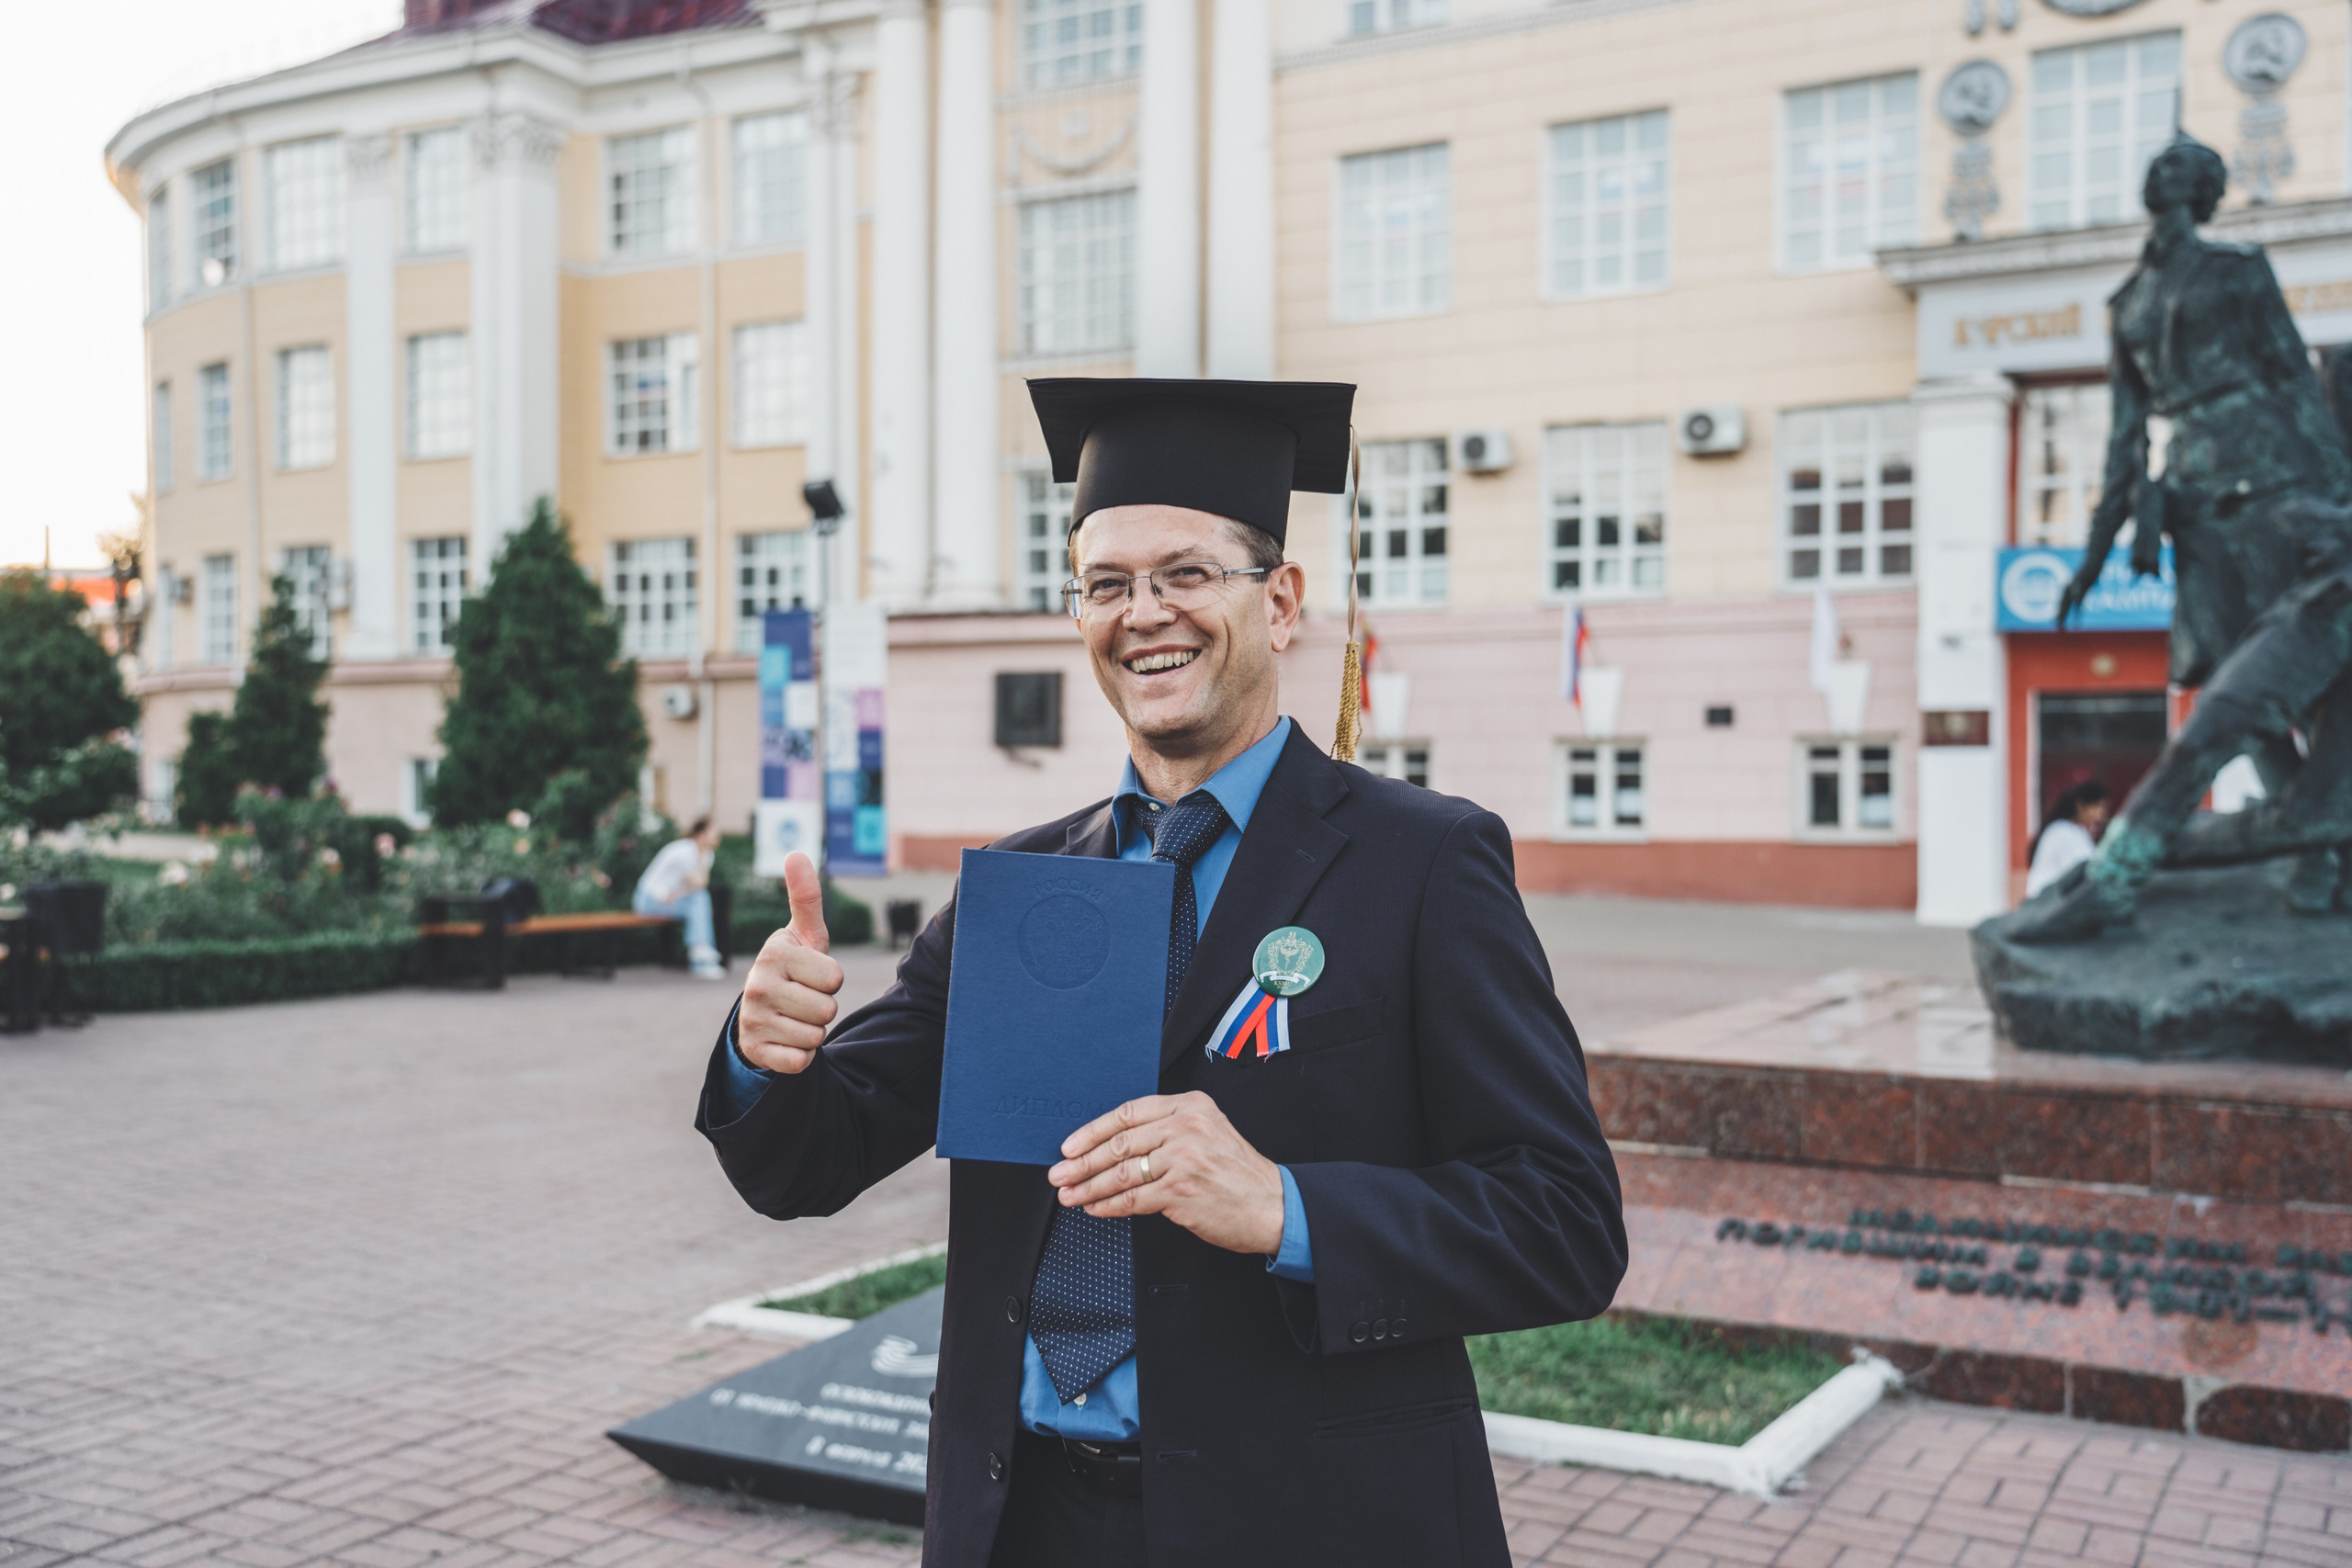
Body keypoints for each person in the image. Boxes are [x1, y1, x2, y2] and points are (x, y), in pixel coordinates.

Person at [695, 378, 1626, 1568]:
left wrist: (1286, 1208)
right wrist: (765, 1053)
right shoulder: (1020, 892)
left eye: (1187, 572)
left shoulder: (1422, 864)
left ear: (1281, 602)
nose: (1144, 613)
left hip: (1308, 1518)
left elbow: (1565, 1220)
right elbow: (809, 1157)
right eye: (1106, 582)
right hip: (1022, 1514)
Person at [634, 815, 725, 978]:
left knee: (700, 900)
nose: (718, 836)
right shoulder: (685, 852)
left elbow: (696, 885)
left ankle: (701, 953)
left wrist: (677, 894)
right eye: (713, 832)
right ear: (701, 834)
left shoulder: (707, 854)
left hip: (672, 899)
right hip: (649, 900)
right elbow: (699, 883)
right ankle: (700, 955)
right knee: (700, 899)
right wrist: (671, 894)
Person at [2024, 779, 2110, 898]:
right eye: (2096, 807)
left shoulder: (2077, 832)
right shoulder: (2062, 831)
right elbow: (2085, 872)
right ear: (2080, 806)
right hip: (2047, 907)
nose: (2101, 814)